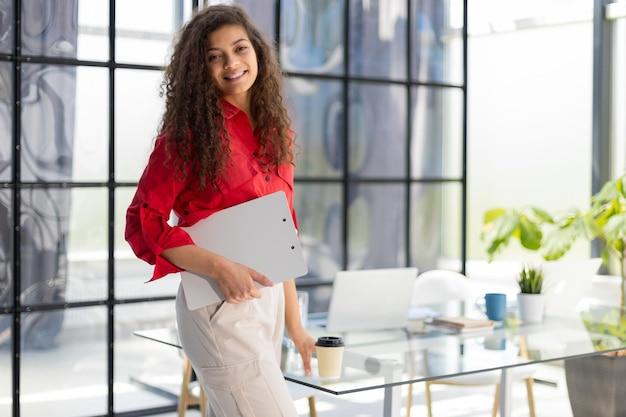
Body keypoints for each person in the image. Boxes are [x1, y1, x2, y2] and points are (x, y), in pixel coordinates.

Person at [124, 4, 315, 416]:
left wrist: (296, 328)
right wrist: (219, 267)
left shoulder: (274, 130)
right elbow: (145, 221)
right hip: (219, 309)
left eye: (240, 48)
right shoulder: (189, 134)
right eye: (214, 56)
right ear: (199, 68)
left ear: (258, 53)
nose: (232, 63)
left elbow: (283, 236)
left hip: (267, 309)